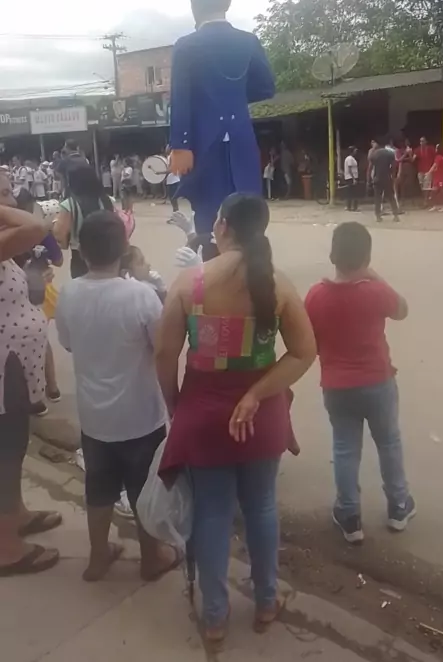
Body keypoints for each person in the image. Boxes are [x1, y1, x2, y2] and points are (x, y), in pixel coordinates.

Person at [156, 193, 316, 643]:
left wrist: (175, 404)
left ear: (222, 226)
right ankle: (266, 601)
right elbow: (304, 352)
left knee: (212, 514)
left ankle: (214, 616)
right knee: (262, 507)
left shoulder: (190, 283)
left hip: (204, 415)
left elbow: (165, 353)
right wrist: (256, 394)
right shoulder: (277, 285)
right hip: (261, 416)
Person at [55, 211, 179, 582]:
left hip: (95, 418)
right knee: (143, 490)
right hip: (141, 416)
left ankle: (98, 556)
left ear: (82, 250)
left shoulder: (70, 292)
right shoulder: (140, 295)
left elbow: (67, 343)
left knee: (98, 487)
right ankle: (151, 557)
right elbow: (162, 349)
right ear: (125, 248)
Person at [305, 222, 415, 544]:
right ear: (366, 258)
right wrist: (374, 275)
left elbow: (308, 339)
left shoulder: (316, 295)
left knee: (345, 448)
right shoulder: (375, 291)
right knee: (389, 443)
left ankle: (350, 515)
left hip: (337, 386)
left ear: (332, 256)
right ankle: (398, 506)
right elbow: (402, 310)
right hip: (378, 381)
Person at [169, 0, 276, 244]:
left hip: (202, 147)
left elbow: (180, 100)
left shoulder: (185, 46)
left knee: (209, 219)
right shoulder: (249, 41)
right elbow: (266, 88)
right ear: (228, 2)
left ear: (193, 4)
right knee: (249, 216)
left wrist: (180, 145)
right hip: (242, 143)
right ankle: (252, 264)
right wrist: (234, 98)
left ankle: (213, 265)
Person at [0, 172, 61, 576]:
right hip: (2, 368)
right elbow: (38, 226)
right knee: (5, 452)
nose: (12, 201)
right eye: (4, 193)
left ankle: (16, 514)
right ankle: (6, 548)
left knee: (14, 445)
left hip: (13, 363)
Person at [14, 189, 63, 411]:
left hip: (23, 294)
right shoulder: (40, 231)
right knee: (39, 340)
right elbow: (59, 261)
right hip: (36, 291)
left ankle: (37, 394)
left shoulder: (11, 231)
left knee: (24, 344)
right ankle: (50, 388)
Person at [54, 166, 114, 278]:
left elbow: (60, 233)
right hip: (108, 251)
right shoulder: (108, 201)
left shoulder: (69, 204)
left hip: (80, 255)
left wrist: (64, 243)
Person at [370, 138, 400, 223]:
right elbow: (394, 165)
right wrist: (392, 175)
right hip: (387, 177)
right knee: (391, 197)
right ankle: (396, 215)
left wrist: (369, 178)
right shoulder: (390, 153)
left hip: (377, 178)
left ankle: (378, 216)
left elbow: (371, 167)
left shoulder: (373, 154)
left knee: (377, 198)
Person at [428, 143, 443, 212]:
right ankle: (436, 205)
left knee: (441, 192)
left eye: (437, 148)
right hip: (438, 176)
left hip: (441, 177)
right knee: (435, 191)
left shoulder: (439, 157)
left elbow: (434, 165)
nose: (435, 149)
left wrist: (428, 173)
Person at [344, 147, 359, 212]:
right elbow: (349, 169)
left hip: (352, 177)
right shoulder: (350, 159)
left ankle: (350, 206)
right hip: (351, 178)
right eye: (355, 150)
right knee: (353, 193)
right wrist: (353, 179)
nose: (356, 152)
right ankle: (352, 207)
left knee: (351, 193)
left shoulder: (352, 158)